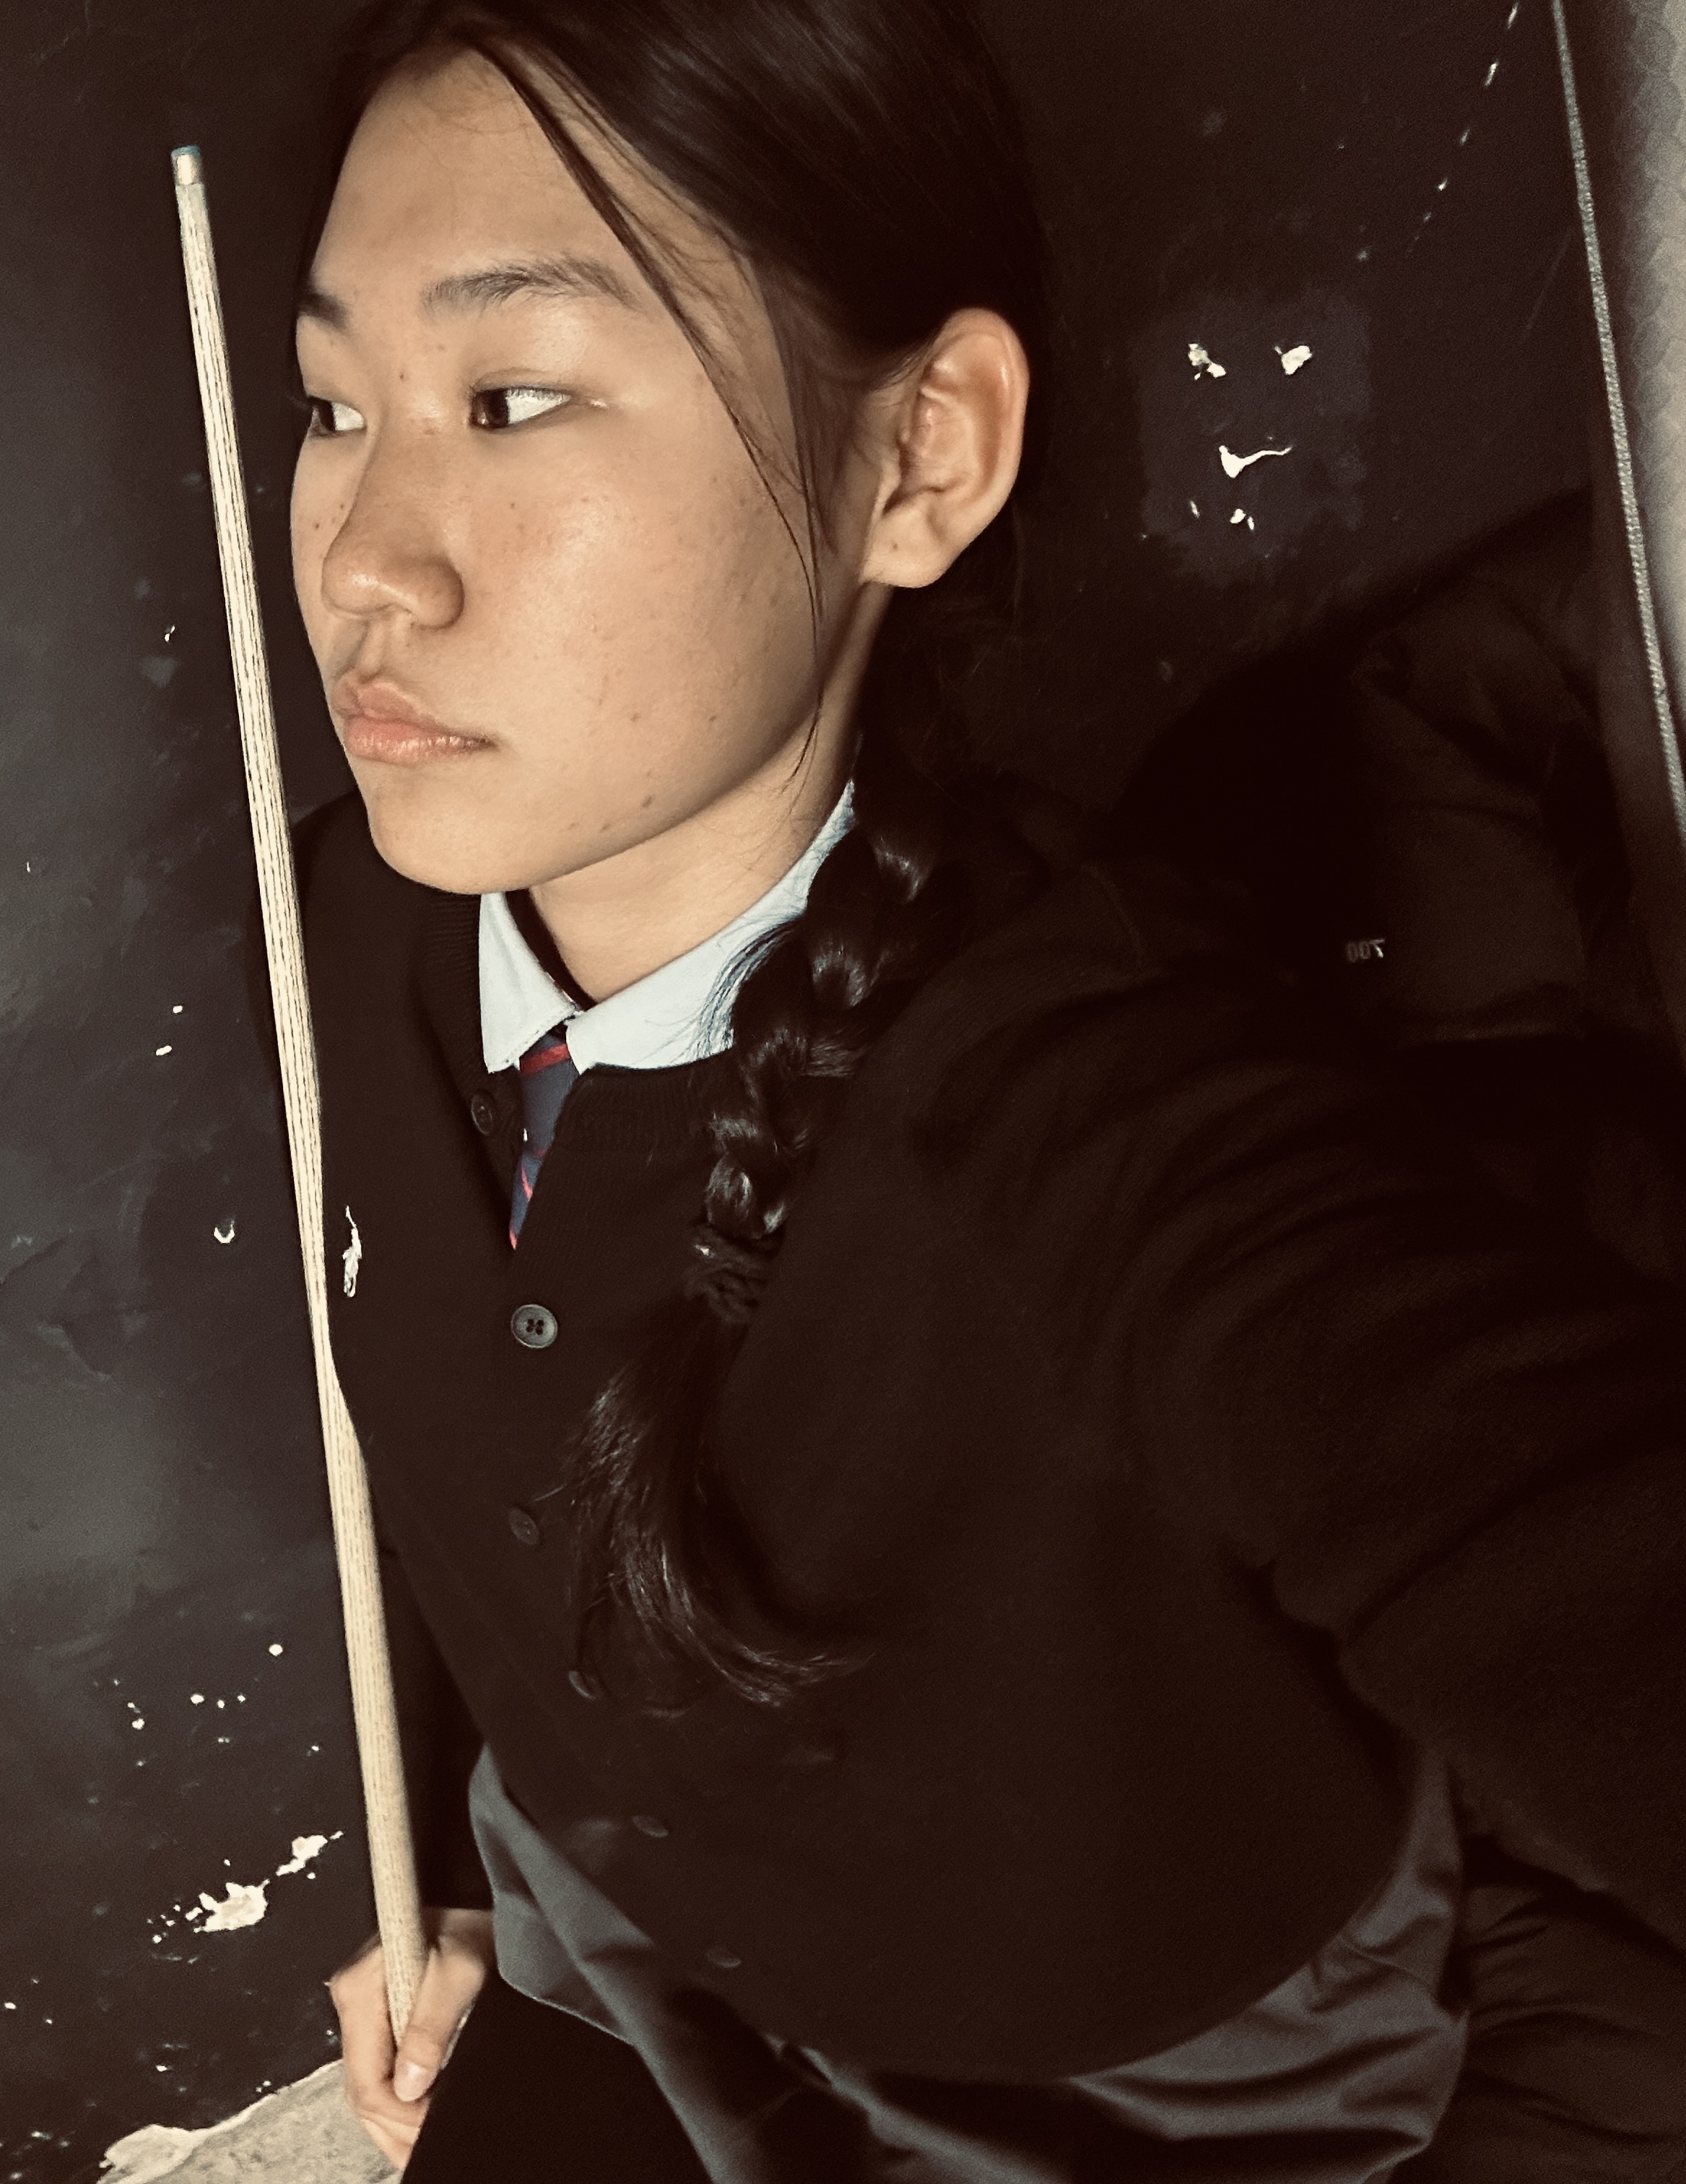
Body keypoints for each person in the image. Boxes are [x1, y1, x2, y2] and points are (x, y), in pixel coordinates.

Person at [270, 1, 1686, 2175]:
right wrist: (452, 1866)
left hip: (1140, 2052)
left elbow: (1543, 1528)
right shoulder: (346, 917)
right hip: (624, 1929)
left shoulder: (1099, 1099)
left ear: (922, 458)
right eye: (331, 405)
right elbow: (462, 1438)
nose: (365, 558)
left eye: (513, 397)